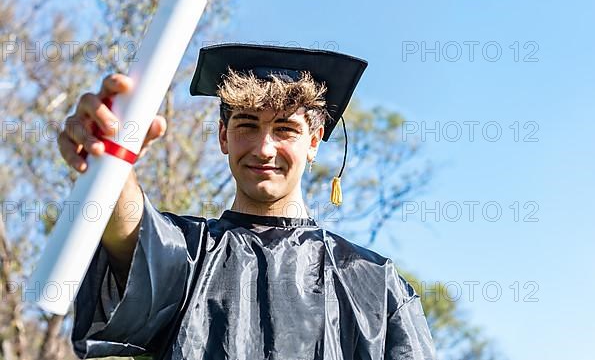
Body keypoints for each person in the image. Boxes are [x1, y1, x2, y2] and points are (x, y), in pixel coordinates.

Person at [60, 44, 437, 360]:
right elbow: (131, 229)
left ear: (314, 141)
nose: (264, 148)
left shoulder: (372, 281)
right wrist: (110, 159)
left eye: (285, 129)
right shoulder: (189, 256)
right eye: (247, 125)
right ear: (224, 136)